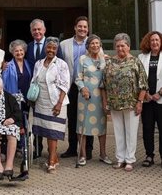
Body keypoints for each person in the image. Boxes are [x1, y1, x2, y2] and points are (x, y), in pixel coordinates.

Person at [102, 33, 148, 172]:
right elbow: (103, 84)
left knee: (131, 132)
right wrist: (105, 102)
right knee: (118, 132)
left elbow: (143, 84)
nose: (120, 48)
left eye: (123, 45)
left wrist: (140, 101)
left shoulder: (135, 62)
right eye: (118, 46)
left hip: (132, 103)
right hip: (115, 103)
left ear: (128, 46)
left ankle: (129, 160)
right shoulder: (109, 62)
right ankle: (120, 158)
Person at [30, 36, 70, 173]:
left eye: (54, 48)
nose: (51, 50)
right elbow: (34, 81)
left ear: (57, 49)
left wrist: (59, 103)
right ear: (45, 48)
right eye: (49, 47)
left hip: (55, 102)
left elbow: (65, 85)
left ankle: (52, 160)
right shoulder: (38, 63)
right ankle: (53, 155)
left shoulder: (61, 64)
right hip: (41, 101)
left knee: (53, 132)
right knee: (46, 131)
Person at [25, 18, 63, 158]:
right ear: (31, 31)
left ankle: (52, 153)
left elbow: (61, 67)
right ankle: (36, 149)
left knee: (50, 123)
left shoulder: (53, 45)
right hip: (35, 92)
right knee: (36, 121)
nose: (37, 32)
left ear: (44, 30)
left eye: (39, 29)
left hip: (50, 93)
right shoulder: (28, 46)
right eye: (34, 29)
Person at [137, 30, 162, 168]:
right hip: (147, 99)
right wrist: (146, 93)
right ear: (148, 42)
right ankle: (149, 155)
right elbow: (140, 77)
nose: (154, 42)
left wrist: (160, 93)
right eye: (152, 40)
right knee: (147, 128)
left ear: (161, 42)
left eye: (157, 40)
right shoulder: (141, 57)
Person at [75, 34, 111, 166]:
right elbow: (78, 78)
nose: (95, 46)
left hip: (101, 98)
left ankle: (103, 154)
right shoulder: (82, 59)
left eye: (97, 43)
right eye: (92, 43)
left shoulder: (105, 60)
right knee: (82, 126)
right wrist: (83, 88)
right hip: (85, 97)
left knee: (101, 127)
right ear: (88, 46)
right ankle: (83, 155)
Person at [59, 16, 92, 159]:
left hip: (87, 86)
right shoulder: (64, 44)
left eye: (85, 27)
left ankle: (88, 150)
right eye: (80, 26)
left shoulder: (93, 43)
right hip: (71, 86)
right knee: (72, 118)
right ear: (75, 27)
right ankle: (72, 147)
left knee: (87, 118)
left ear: (88, 29)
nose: (82, 29)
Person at [2, 39, 33, 113]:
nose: (19, 52)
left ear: (24, 51)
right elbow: (4, 84)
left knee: (26, 119)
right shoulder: (8, 66)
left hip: (27, 97)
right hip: (13, 98)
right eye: (16, 51)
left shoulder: (28, 64)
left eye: (21, 50)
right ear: (12, 53)